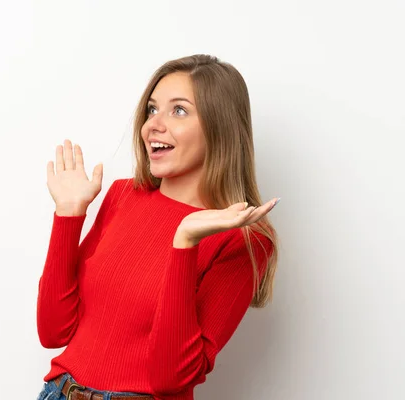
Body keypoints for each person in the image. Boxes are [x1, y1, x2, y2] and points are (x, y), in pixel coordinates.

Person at [36, 54, 280, 400]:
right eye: (152, 109)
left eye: (178, 110)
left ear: (219, 126)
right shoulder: (123, 196)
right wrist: (68, 216)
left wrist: (184, 243)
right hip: (59, 392)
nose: (153, 125)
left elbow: (170, 378)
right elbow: (53, 331)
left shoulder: (244, 239)